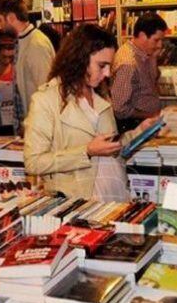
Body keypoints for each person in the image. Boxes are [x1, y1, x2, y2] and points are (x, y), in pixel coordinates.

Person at [23, 24, 157, 201]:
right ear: (79, 59)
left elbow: (112, 148)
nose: (108, 73)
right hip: (80, 200)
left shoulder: (101, 95)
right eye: (102, 65)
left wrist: (141, 131)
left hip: (115, 193)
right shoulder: (46, 100)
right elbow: (33, 162)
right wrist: (86, 152)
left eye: (109, 66)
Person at [0, 0, 55, 121]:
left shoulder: (36, 44)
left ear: (11, 17)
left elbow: (47, 90)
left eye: (0, 20)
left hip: (41, 125)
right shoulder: (24, 41)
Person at [111, 13, 167, 133]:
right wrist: (147, 114)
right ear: (142, 35)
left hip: (147, 122)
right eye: (156, 40)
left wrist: (153, 58)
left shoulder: (143, 54)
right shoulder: (128, 63)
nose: (160, 45)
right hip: (135, 127)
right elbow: (119, 109)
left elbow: (151, 84)